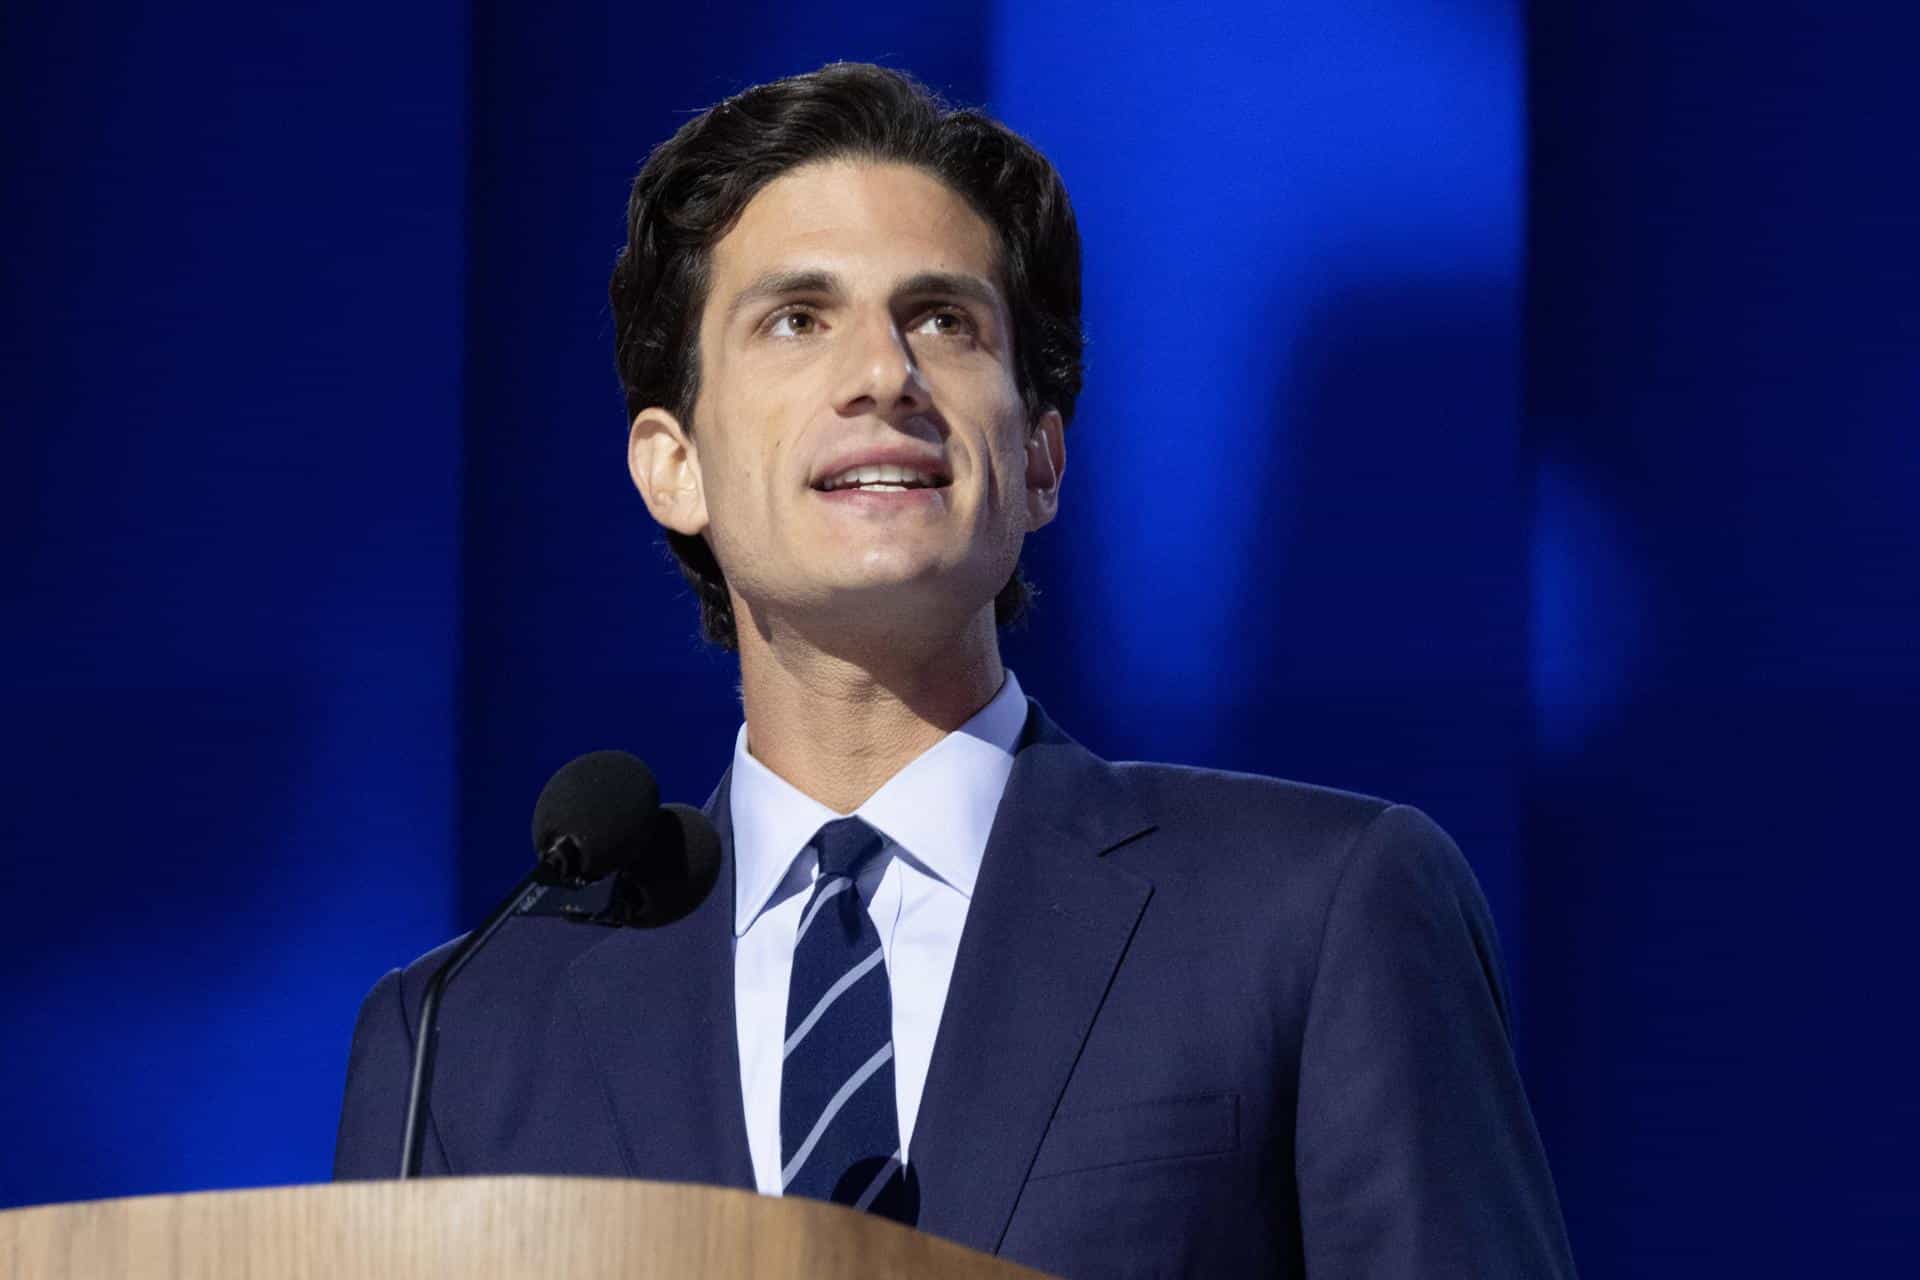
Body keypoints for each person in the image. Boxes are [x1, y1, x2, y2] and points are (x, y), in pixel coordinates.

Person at [334, 62, 1576, 1277]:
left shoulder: (1315, 913)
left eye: (943, 318)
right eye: (796, 320)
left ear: (1039, 460)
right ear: (674, 468)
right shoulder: (466, 1032)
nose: (884, 374)